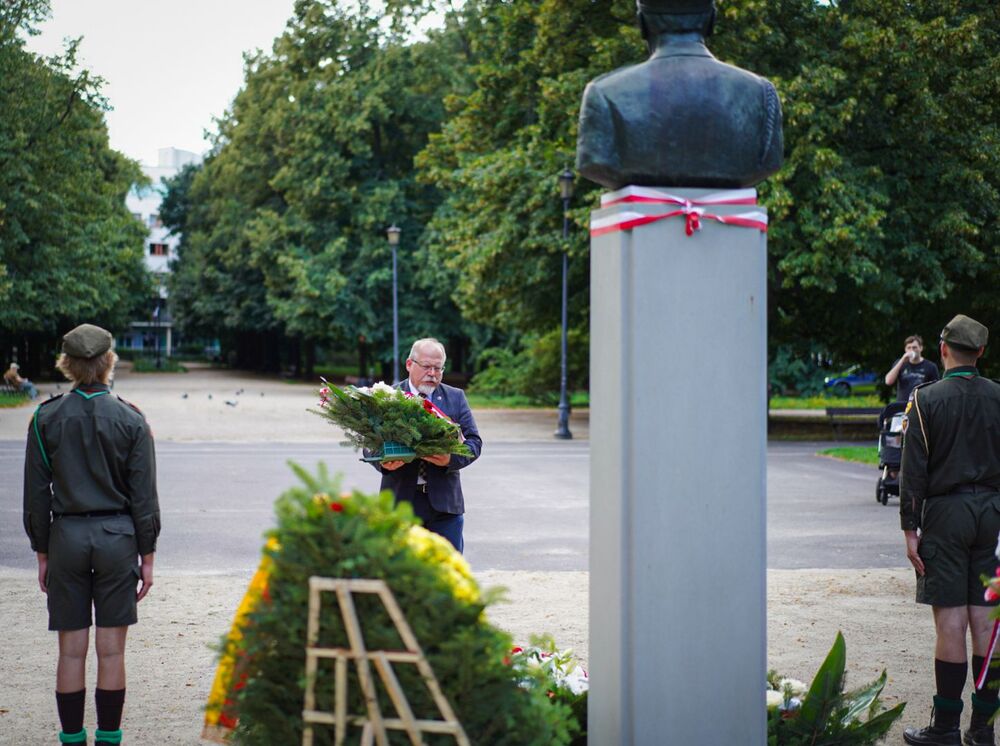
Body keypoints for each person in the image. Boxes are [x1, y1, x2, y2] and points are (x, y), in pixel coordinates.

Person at [23, 323, 160, 746]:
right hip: (118, 538)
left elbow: (35, 496)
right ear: (108, 362)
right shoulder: (131, 418)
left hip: (66, 538)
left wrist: (42, 553)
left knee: (70, 651)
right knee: (112, 651)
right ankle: (109, 739)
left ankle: (72, 740)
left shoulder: (45, 417)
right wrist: (148, 555)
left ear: (67, 365)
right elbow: (144, 497)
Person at [899, 314, 1000, 746]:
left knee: (951, 626)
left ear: (943, 350)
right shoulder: (999, 397)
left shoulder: (924, 400)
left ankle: (944, 729)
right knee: (987, 625)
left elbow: (912, 472)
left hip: (945, 515)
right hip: (993, 514)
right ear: (980, 353)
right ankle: (982, 729)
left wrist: (909, 529)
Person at [576, 0, 783, 189]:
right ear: (711, 21)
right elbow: (769, 163)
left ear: (642, 23)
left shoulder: (604, 94)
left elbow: (593, 163)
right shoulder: (761, 94)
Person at [370, 338, 482, 553]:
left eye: (438, 368)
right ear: (409, 364)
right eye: (427, 367)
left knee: (448, 573)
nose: (433, 373)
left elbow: (474, 443)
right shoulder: (387, 397)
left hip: (445, 507)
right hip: (399, 503)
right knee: (401, 573)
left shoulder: (456, 398)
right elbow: (369, 443)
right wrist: (384, 463)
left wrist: (451, 459)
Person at [886, 335, 940, 403]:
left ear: (921, 348)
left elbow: (936, 390)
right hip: (902, 405)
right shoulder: (900, 363)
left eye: (914, 347)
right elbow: (888, 381)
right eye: (909, 348)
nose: (911, 350)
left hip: (921, 405)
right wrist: (902, 360)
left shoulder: (930, 366)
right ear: (905, 349)